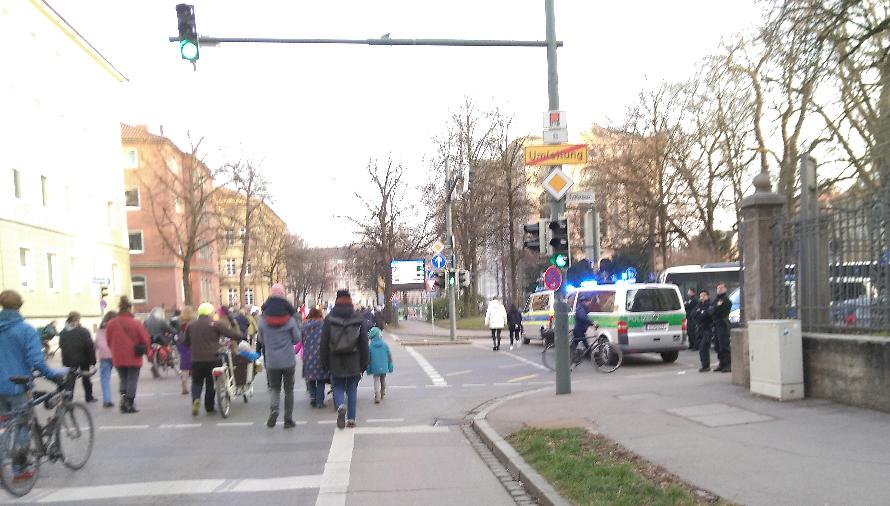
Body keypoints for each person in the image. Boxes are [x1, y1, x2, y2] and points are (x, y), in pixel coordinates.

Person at [0, 290, 68, 482]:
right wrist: (53, 374)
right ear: (19, 306)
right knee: (23, 426)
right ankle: (19, 470)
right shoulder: (25, 329)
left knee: (2, 427)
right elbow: (36, 360)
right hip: (17, 387)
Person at [320, 289, 369, 429]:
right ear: (350, 301)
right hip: (354, 359)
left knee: (338, 386)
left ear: (336, 301)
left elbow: (323, 343)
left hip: (334, 358)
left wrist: (324, 363)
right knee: (352, 388)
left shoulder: (329, 319)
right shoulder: (358, 318)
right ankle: (352, 419)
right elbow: (364, 343)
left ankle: (341, 405)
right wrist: (364, 363)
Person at [183, 302, 242, 416]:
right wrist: (241, 336)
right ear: (210, 313)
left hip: (196, 359)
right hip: (212, 358)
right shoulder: (215, 324)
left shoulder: (191, 325)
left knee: (197, 382)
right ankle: (209, 407)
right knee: (211, 383)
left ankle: (196, 399)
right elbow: (230, 333)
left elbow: (186, 342)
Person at [258, 299, 301, 428]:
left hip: (272, 360)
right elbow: (296, 339)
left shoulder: (262, 321)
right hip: (288, 360)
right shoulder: (290, 321)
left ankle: (274, 410)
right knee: (289, 390)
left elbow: (261, 339)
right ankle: (288, 419)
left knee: (275, 388)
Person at [105, 296, 151, 413]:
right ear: (130, 308)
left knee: (123, 378)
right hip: (133, 356)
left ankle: (123, 401)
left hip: (118, 356)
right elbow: (145, 339)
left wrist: (115, 349)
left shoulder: (111, 323)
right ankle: (129, 403)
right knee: (132, 379)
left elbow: (108, 340)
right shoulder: (135, 323)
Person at [58, 311, 97, 403]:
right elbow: (89, 346)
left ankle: (68, 398)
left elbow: (61, 345)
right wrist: (93, 361)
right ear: (77, 319)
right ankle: (89, 397)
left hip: (69, 360)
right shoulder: (83, 331)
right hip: (83, 359)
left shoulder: (63, 332)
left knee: (70, 380)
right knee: (86, 379)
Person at [302, 308, 328, 408]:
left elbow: (301, 339)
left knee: (311, 379)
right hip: (320, 354)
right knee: (320, 380)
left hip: (308, 354)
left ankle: (313, 398)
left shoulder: (304, 325)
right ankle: (320, 402)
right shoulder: (323, 325)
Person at [94, 311, 118, 408]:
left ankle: (107, 400)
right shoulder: (116, 326)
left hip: (104, 355)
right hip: (115, 354)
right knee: (124, 376)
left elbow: (96, 343)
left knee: (105, 379)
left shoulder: (101, 328)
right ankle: (126, 398)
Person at [144, 307, 175, 378]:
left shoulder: (146, 321)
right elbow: (169, 329)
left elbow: (143, 330)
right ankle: (169, 358)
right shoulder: (161, 320)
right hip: (160, 340)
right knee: (168, 341)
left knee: (149, 351)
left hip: (150, 341)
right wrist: (175, 331)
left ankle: (154, 365)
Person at [366, 327, 393, 404]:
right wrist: (390, 365)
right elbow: (389, 355)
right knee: (383, 379)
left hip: (375, 367)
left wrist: (368, 366)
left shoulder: (370, 346)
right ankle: (382, 392)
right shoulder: (385, 344)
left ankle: (377, 395)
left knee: (376, 380)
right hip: (384, 366)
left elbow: (368, 358)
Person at [711, 282, 732, 373]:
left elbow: (717, 310)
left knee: (724, 345)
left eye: (721, 288)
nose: (719, 290)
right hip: (716, 324)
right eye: (718, 288)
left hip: (723, 324)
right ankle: (721, 363)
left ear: (725, 289)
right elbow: (711, 309)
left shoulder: (725, 300)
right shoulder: (716, 299)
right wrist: (714, 309)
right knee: (717, 345)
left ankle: (727, 364)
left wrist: (714, 309)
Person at [175, 306, 195, 395]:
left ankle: (184, 384)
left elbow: (176, 333)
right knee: (193, 364)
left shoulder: (179, 322)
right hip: (191, 344)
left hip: (182, 344)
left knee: (184, 366)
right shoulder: (193, 322)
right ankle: (195, 385)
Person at [695, 290, 714, 372]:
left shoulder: (709, 305)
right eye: (700, 296)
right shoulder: (699, 305)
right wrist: (700, 313)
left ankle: (706, 366)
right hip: (700, 329)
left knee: (704, 347)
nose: (701, 297)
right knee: (701, 348)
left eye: (703, 296)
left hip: (707, 329)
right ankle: (704, 365)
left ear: (707, 296)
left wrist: (700, 313)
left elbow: (706, 315)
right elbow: (693, 314)